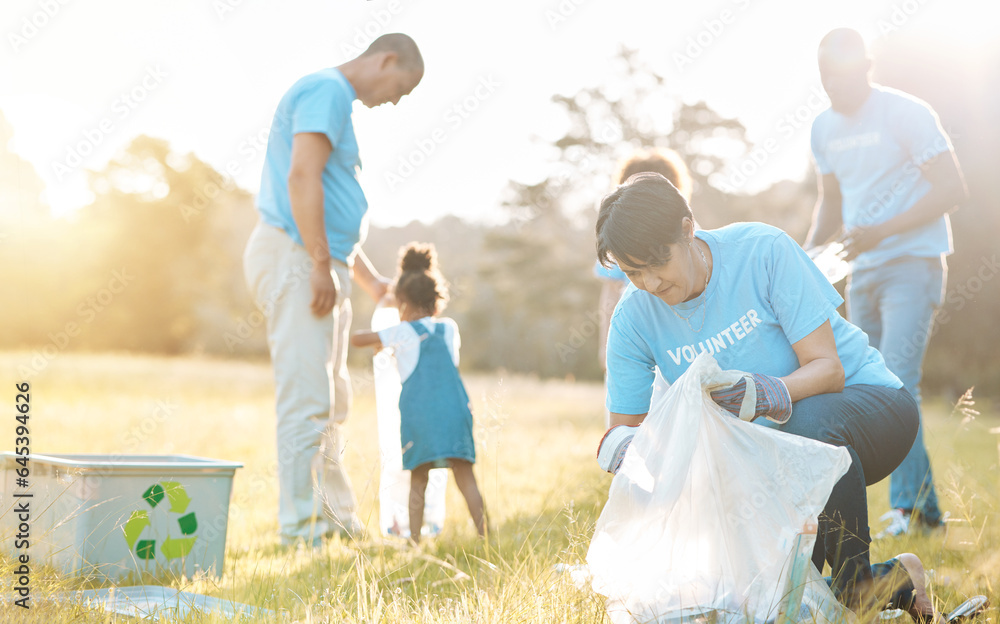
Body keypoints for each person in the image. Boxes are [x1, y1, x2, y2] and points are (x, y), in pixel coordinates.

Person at [593, 172, 939, 618]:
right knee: (773, 601)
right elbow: (626, 437)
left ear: (687, 227)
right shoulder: (633, 318)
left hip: (868, 410)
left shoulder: (762, 250)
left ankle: (856, 586)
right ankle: (891, 579)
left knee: (801, 427)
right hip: (765, 460)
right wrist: (632, 454)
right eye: (632, 271)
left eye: (656, 263)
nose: (651, 284)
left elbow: (828, 370)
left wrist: (762, 392)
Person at [242, 34, 423, 546]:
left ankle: (334, 519)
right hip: (297, 259)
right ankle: (299, 529)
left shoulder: (336, 100)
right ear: (386, 59)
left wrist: (368, 281)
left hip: (320, 261)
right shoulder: (327, 89)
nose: (394, 99)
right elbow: (303, 179)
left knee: (332, 398)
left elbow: (331, 203)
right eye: (400, 87)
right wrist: (320, 264)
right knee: (307, 399)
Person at [806, 28, 968, 538]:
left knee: (898, 381)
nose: (836, 89)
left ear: (867, 68)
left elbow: (952, 188)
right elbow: (830, 201)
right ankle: (928, 515)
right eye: (827, 80)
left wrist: (880, 231)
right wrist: (806, 259)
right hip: (862, 274)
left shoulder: (906, 113)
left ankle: (907, 510)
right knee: (871, 387)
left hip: (913, 264)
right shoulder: (822, 128)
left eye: (845, 78)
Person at [351, 243, 487, 544]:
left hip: (421, 415)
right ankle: (486, 538)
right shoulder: (449, 329)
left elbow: (358, 339)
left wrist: (385, 330)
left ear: (402, 302)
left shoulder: (402, 332)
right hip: (456, 413)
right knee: (466, 476)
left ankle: (414, 541)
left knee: (419, 478)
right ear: (436, 301)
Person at [594, 149, 693, 424]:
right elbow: (609, 296)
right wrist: (605, 345)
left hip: (677, 340)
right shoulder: (617, 241)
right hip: (638, 337)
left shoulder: (678, 236)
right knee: (630, 414)